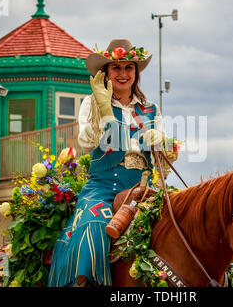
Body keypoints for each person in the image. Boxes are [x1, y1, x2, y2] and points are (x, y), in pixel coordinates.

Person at [48, 39, 175, 287]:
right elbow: (86, 142)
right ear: (106, 72)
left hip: (145, 188)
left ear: (136, 73)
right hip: (104, 188)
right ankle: (83, 282)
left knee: (188, 218)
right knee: (93, 224)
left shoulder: (150, 109)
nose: (123, 74)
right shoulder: (91, 104)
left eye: (129, 68)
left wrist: (162, 141)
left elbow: (164, 155)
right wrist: (105, 110)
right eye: (116, 68)